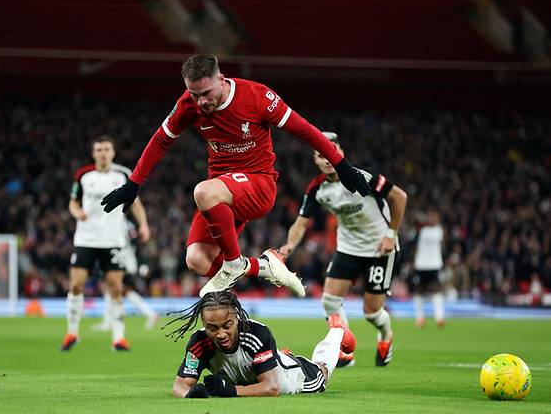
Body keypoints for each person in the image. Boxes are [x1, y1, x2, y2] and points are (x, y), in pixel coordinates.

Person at [100, 54, 371, 298]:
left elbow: (305, 130)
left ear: (221, 78)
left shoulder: (256, 97)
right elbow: (161, 140)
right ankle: (261, 267)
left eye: (206, 93)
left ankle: (233, 264)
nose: (201, 101)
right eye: (194, 95)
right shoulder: (188, 104)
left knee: (203, 192)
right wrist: (133, 184)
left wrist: (342, 165)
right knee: (197, 260)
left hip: (258, 183)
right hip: (223, 191)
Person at [279, 133, 407, 367]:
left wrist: (391, 234)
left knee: (371, 312)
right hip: (348, 248)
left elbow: (399, 197)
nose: (327, 158)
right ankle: (344, 351)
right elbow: (301, 222)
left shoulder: (363, 177)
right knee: (329, 300)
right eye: (321, 155)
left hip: (380, 248)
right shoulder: (317, 188)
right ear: (315, 160)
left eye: (331, 152)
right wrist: (289, 246)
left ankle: (386, 335)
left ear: (341, 153)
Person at [167, 291, 355, 398]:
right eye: (212, 328)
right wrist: (190, 394)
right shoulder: (199, 342)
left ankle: (338, 331)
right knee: (268, 361)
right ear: (203, 324)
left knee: (321, 371)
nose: (220, 334)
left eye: (227, 326)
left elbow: (272, 388)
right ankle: (275, 356)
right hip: (261, 367)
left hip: (290, 376)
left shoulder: (256, 333)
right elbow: (180, 385)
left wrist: (231, 390)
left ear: (237, 318)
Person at [61, 136, 150, 352]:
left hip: (113, 240)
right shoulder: (83, 175)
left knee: (115, 288)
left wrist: (144, 225)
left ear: (113, 152)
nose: (102, 152)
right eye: (99, 149)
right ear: (93, 153)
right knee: (75, 284)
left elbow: (135, 203)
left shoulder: (123, 174)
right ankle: (72, 333)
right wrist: (76, 213)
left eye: (106, 149)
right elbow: (73, 201)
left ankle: (118, 338)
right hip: (86, 238)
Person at [91, 220, 159, 332]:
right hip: (128, 258)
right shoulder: (128, 224)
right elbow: (135, 242)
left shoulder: (118, 223)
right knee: (120, 290)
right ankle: (150, 314)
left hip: (123, 259)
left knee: (115, 288)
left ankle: (108, 322)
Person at [411, 208, 445, 328]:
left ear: (438, 218)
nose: (431, 218)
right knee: (420, 291)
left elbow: (444, 246)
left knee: (436, 290)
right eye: (429, 216)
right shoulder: (421, 230)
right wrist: (413, 263)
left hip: (435, 265)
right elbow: (414, 246)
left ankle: (439, 318)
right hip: (421, 265)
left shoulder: (440, 231)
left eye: (434, 216)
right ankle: (420, 318)